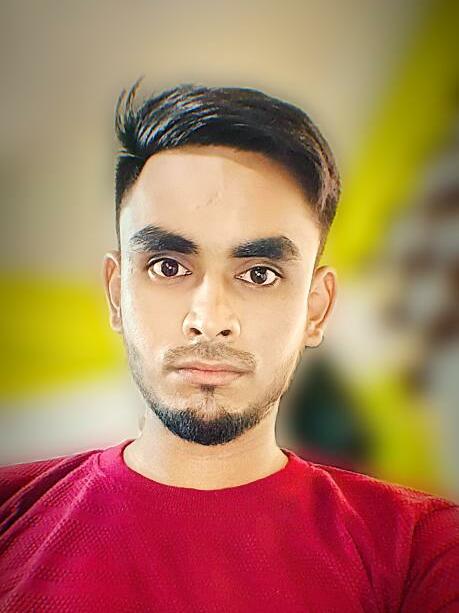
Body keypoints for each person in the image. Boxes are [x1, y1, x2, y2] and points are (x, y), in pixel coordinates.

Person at [0, 78, 457, 612]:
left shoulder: (423, 552)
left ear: (316, 309)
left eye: (259, 273)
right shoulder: (10, 514)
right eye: (168, 267)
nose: (209, 320)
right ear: (117, 294)